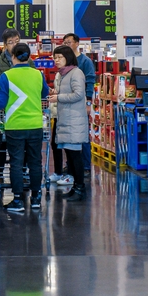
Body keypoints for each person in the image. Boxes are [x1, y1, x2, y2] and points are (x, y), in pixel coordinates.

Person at [0, 43, 49, 213]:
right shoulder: (38, 75)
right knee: (35, 162)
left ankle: (17, 200)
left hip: (15, 126)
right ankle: (36, 198)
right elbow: (44, 93)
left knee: (16, 163)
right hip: (35, 125)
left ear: (13, 57)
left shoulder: (6, 76)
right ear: (29, 57)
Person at [48, 46, 88, 202]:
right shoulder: (62, 74)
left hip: (74, 120)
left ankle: (80, 188)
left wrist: (58, 97)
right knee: (70, 156)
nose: (56, 60)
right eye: (55, 57)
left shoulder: (76, 73)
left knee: (75, 156)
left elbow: (78, 94)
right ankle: (75, 187)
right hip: (65, 119)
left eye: (60, 57)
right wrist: (56, 94)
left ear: (68, 57)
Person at [62, 33, 96, 181]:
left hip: (81, 103)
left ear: (77, 43)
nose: (66, 45)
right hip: (68, 104)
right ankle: (70, 165)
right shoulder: (66, 62)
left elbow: (90, 81)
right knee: (70, 135)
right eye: (64, 42)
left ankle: (86, 166)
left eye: (69, 42)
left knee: (83, 135)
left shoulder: (85, 61)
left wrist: (88, 102)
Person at [0, 29, 34, 93]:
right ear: (5, 45)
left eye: (17, 41)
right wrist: (5, 85)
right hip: (5, 95)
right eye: (11, 42)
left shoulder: (28, 60)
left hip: (24, 95)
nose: (15, 45)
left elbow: (34, 77)